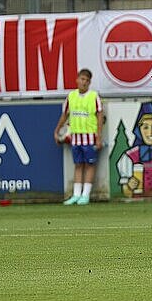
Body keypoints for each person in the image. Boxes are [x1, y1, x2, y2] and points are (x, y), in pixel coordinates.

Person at [54, 68, 103, 206]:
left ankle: (85, 195)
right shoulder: (71, 96)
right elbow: (65, 115)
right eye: (82, 79)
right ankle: (76, 194)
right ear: (77, 79)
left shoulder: (94, 96)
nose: (84, 82)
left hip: (90, 137)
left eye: (87, 80)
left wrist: (99, 137)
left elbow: (100, 117)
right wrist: (57, 130)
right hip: (76, 136)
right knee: (78, 164)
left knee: (90, 164)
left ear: (90, 82)